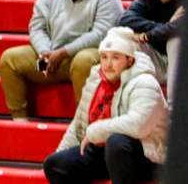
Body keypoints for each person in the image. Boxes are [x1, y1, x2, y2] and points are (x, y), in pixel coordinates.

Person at [0, 0, 124, 121]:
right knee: (9, 59)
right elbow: (37, 27)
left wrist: (64, 52)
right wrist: (44, 52)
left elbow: (101, 34)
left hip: (87, 59)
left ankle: (87, 125)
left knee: (83, 60)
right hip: (53, 61)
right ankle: (20, 122)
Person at [43, 27, 169, 184]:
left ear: (130, 60)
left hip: (146, 156)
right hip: (105, 152)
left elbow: (138, 125)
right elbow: (79, 121)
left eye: (115, 58)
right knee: (55, 164)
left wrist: (96, 130)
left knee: (116, 142)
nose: (108, 64)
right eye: (104, 57)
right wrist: (62, 152)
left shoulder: (145, 82)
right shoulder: (96, 78)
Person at [119, 0, 186, 107]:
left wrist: (150, 35)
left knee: (175, 39)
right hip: (156, 61)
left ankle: (173, 107)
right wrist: (166, 27)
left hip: (184, 64)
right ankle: (127, 104)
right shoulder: (147, 0)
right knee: (121, 37)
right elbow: (125, 20)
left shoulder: (187, 1)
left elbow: (182, 26)